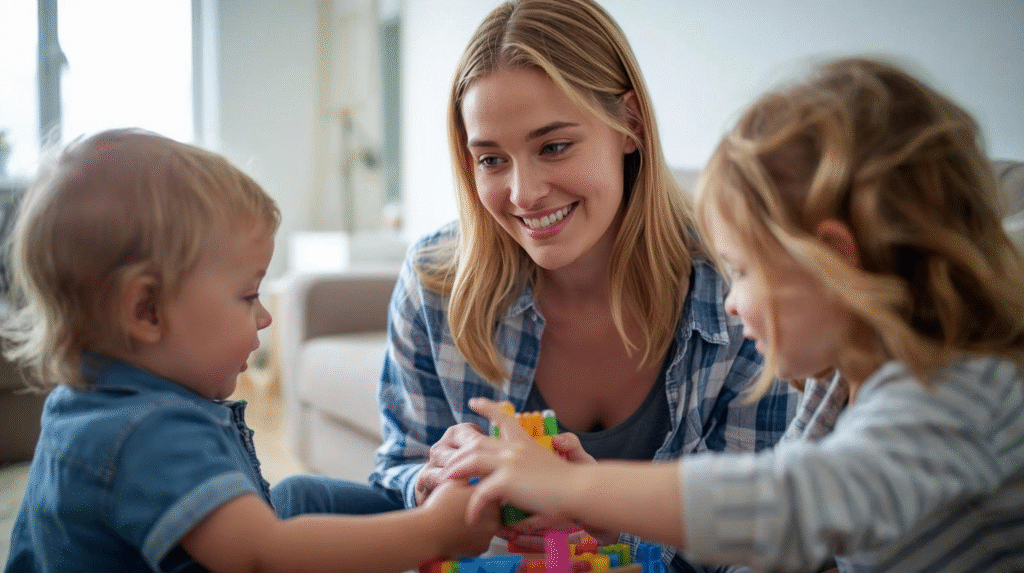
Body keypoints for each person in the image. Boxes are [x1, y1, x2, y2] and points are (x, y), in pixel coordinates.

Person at [443, 57, 1024, 572]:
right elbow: (776, 552)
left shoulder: (962, 391)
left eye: (743, 271)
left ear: (834, 259)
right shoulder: (837, 390)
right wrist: (615, 526)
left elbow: (794, 507)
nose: (728, 301)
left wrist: (573, 487)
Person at [272, 0, 796, 569]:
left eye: (553, 146)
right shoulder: (435, 282)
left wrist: (609, 513)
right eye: (492, 159)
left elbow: (759, 538)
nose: (523, 193)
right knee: (296, 500)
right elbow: (399, 466)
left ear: (631, 126)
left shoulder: (735, 289)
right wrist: (429, 482)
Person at [2, 129, 497, 573]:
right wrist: (433, 533)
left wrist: (419, 508)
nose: (264, 316)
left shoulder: (99, 399)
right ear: (146, 311)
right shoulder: (144, 433)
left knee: (302, 495)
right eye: (247, 295)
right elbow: (263, 557)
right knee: (286, 529)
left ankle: (415, 511)